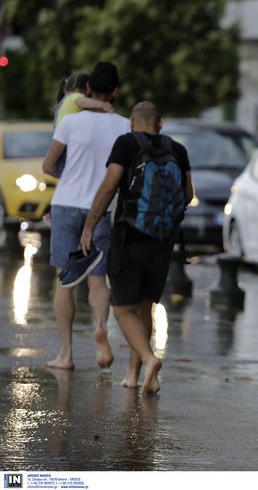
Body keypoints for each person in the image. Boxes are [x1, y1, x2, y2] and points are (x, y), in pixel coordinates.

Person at [80, 101, 193, 394]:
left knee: (122, 309)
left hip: (130, 237)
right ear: (161, 123)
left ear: (132, 122)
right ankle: (135, 376)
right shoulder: (178, 150)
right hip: (163, 240)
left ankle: (148, 359)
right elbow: (188, 194)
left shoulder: (126, 144)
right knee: (145, 307)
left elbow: (109, 186)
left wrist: (90, 226)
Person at [41, 61, 130, 371]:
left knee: (64, 281)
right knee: (97, 280)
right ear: (115, 91)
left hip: (66, 204)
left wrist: (67, 176)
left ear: (88, 88)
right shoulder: (124, 126)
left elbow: (48, 166)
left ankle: (66, 355)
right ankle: (100, 327)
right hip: (101, 208)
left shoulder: (70, 123)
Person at [51, 72, 115, 177]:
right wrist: (102, 105)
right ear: (87, 87)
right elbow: (82, 101)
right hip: (67, 146)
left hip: (62, 145)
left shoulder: (63, 102)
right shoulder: (74, 97)